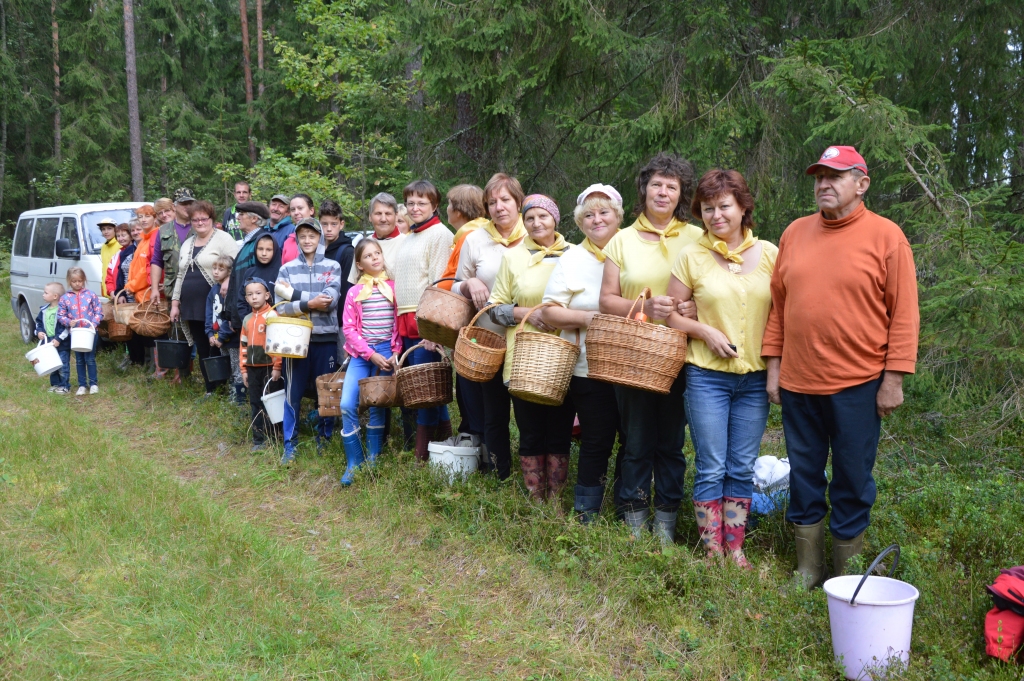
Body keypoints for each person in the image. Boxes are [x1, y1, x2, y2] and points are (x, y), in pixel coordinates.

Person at [761, 145, 919, 586]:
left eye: (834, 176)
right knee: (804, 475)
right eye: (819, 177)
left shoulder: (887, 237)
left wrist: (893, 379)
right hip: (799, 383)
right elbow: (778, 308)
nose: (823, 184)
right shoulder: (795, 233)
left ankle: (848, 575)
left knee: (852, 478)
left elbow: (904, 314)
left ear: (861, 184)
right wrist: (774, 368)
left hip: (859, 384)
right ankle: (808, 569)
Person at [665, 169, 778, 568]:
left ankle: (736, 548)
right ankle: (713, 550)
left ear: (743, 207)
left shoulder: (769, 254)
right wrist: (704, 331)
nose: (716, 215)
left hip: (754, 379)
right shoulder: (691, 255)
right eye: (708, 208)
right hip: (707, 377)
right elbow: (670, 315)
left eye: (724, 206)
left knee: (741, 467)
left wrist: (777, 370)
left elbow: (781, 316)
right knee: (712, 466)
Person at [599, 153, 703, 543]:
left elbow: (710, 289)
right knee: (637, 441)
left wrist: (694, 308)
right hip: (634, 356)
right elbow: (606, 300)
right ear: (643, 189)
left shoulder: (697, 238)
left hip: (680, 355)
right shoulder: (621, 240)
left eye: (671, 186)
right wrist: (643, 305)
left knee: (672, 443)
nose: (662, 192)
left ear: (681, 195)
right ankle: (634, 523)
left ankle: (666, 526)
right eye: (656, 184)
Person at [542, 183, 624, 521]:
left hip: (635, 364)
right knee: (596, 438)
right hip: (587, 367)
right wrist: (590, 318)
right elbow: (549, 311)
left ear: (618, 216)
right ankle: (587, 511)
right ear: (579, 222)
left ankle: (627, 506)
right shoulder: (572, 258)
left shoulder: (632, 250)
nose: (597, 219)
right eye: (589, 215)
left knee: (634, 440)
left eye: (604, 212)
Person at [488, 194, 572, 502]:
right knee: (531, 429)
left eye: (543, 216)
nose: (536, 223)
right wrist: (528, 313)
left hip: (564, 356)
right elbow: (494, 308)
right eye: (530, 218)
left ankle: (556, 499)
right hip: (525, 359)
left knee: (560, 430)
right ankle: (536, 498)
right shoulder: (513, 258)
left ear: (555, 219)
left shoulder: (574, 255)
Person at [453, 173, 528, 479]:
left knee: (527, 411)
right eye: (492, 202)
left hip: (527, 339)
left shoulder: (535, 232)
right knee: (493, 412)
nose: (499, 207)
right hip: (488, 340)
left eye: (505, 200)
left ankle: (532, 473)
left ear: (518, 202)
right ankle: (499, 472)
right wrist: (468, 282)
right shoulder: (475, 239)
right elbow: (454, 285)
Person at [391, 179, 455, 461]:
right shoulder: (409, 236)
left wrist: (433, 329)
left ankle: (422, 454)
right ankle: (445, 444)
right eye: (410, 203)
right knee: (425, 386)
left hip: (425, 322)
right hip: (405, 320)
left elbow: (440, 283)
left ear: (435, 205)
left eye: (421, 203)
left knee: (426, 389)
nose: (415, 208)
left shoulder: (440, 234)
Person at [274, 217, 342, 464]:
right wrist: (309, 302)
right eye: (302, 236)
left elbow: (329, 301)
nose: (307, 240)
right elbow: (281, 308)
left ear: (320, 238)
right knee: (292, 392)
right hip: (295, 341)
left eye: (312, 236)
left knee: (327, 391)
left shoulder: (333, 266)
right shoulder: (287, 269)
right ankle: (289, 444)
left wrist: (294, 295)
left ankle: (325, 438)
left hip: (326, 338)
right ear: (297, 239)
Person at [339, 239, 401, 485]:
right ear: (359, 264)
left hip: (387, 353)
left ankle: (374, 457)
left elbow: (399, 323)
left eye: (377, 253)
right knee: (347, 403)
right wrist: (369, 354)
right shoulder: (354, 292)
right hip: (362, 354)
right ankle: (354, 461)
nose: (375, 258)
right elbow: (349, 329)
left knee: (377, 403)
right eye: (368, 256)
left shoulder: (394, 288)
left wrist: (395, 352)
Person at [169, 200, 241, 393]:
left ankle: (226, 387)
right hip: (191, 305)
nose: (200, 223)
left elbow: (237, 265)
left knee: (218, 345)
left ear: (211, 219)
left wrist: (228, 280)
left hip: (215, 305)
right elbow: (180, 274)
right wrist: (175, 303)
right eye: (195, 220)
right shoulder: (188, 243)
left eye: (204, 219)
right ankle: (211, 389)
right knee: (202, 346)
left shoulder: (224, 239)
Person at [438, 184, 489, 443]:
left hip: (470, 318)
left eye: (449, 204)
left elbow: (454, 278)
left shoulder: (468, 236)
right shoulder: (480, 231)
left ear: (458, 210)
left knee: (469, 376)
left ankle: (473, 434)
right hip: (479, 317)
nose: (446, 209)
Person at [239, 277, 282, 451]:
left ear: (267, 295)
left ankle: (275, 436)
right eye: (250, 294)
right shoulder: (247, 319)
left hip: (269, 368)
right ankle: (259, 439)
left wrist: (277, 366)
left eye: (258, 293)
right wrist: (243, 369)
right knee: (255, 402)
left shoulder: (272, 315)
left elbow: (278, 343)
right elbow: (243, 346)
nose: (254, 297)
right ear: (246, 298)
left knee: (272, 402)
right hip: (252, 369)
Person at [123, 204, 165, 377]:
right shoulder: (143, 239)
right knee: (146, 330)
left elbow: (147, 270)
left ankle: (159, 367)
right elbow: (135, 266)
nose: (143, 220)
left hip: (150, 292)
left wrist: (131, 286)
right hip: (140, 294)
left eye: (147, 216)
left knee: (155, 330)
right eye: (140, 217)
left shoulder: (156, 237)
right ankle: (150, 364)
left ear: (155, 218)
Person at [225, 201, 272, 337]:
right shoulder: (247, 243)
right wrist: (231, 314)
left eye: (242, 214)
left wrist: (248, 317)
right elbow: (237, 281)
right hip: (244, 318)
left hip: (254, 321)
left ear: (254, 219)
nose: (238, 217)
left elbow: (260, 284)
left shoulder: (261, 243)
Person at [319, 199, 356, 363]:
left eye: (333, 224)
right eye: (324, 224)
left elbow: (348, 290)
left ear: (341, 224)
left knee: (342, 366)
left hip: (341, 322)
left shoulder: (347, 252)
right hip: (321, 321)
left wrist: (344, 323)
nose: (328, 229)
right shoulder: (318, 250)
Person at [58, 267, 104, 396]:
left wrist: (93, 324)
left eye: (80, 281)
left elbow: (99, 312)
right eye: (74, 281)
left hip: (90, 332)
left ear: (84, 280)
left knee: (90, 358)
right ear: (69, 281)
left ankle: (93, 383)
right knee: (79, 359)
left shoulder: (91, 295)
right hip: (76, 333)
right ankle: (82, 385)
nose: (77, 284)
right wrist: (68, 322)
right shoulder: (65, 298)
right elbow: (60, 315)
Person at [112, 221, 148, 368]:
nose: (135, 232)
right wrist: (119, 292)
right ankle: (134, 358)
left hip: (141, 293)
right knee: (130, 327)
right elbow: (120, 274)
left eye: (138, 229)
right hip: (127, 294)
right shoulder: (125, 252)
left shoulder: (144, 248)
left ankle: (146, 360)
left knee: (142, 326)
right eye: (118, 236)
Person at [151, 188, 196, 305]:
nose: (188, 207)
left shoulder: (201, 226)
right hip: (173, 291)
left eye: (191, 203)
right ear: (174, 207)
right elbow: (157, 261)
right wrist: (155, 288)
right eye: (184, 204)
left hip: (199, 291)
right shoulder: (163, 231)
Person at [205, 255, 236, 389]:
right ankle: (228, 392)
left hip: (232, 338)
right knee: (227, 368)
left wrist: (222, 336)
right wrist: (210, 333)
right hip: (218, 337)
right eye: (214, 268)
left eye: (221, 269)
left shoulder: (231, 290)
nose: (216, 272)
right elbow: (209, 313)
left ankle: (238, 396)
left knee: (236, 368)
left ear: (229, 272)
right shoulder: (213, 290)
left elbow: (231, 316)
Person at [35, 282, 70, 394]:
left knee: (63, 365)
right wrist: (39, 332)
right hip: (48, 343)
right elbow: (38, 323)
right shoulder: (44, 310)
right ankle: (55, 384)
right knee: (52, 364)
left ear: (55, 296)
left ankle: (64, 385)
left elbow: (66, 327)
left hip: (62, 344)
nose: (43, 295)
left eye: (46, 293)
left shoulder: (62, 311)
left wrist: (59, 339)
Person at [280, 194, 316, 264]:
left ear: (311, 210)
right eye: (293, 209)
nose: (296, 213)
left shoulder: (321, 238)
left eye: (300, 208)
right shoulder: (288, 241)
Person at [105, 223, 133, 300]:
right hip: (119, 296)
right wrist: (112, 291)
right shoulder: (116, 256)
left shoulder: (136, 252)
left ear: (131, 236)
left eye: (123, 235)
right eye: (118, 236)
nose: (120, 239)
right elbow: (109, 277)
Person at [97, 217, 121, 297]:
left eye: (109, 228)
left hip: (117, 291)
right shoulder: (104, 246)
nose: (106, 232)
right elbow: (105, 269)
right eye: (103, 229)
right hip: (108, 290)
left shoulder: (120, 244)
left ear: (115, 229)